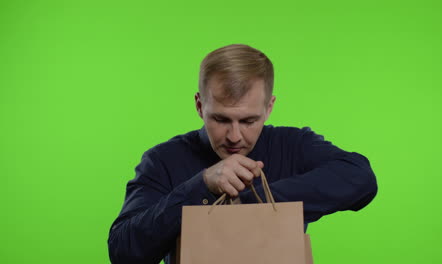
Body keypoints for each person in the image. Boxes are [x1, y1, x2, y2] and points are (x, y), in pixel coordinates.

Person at [107, 44, 378, 264]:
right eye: (221, 120)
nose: (235, 136)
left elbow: (361, 178)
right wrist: (200, 186)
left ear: (269, 107)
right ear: (200, 106)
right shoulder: (163, 160)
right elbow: (123, 251)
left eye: (249, 121)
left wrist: (254, 200)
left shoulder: (293, 144)